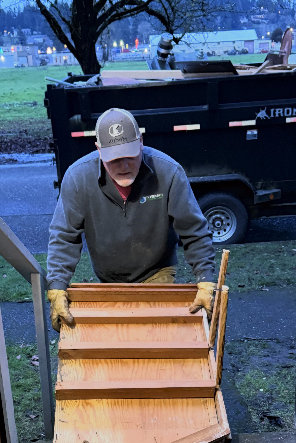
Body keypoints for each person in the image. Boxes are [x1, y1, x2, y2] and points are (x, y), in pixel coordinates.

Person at [46, 106, 216, 331]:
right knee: (118, 340)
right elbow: (64, 237)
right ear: (98, 150)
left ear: (141, 142)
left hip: (156, 271)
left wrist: (205, 280)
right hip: (108, 278)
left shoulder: (169, 173)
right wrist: (57, 287)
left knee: (154, 337)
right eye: (114, 159)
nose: (124, 166)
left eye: (130, 156)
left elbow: (194, 231)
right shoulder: (78, 179)